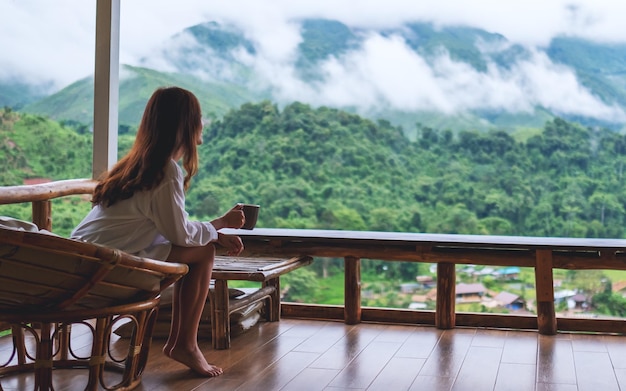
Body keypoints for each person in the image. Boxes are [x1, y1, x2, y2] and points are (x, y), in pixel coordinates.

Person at [71, 86, 245, 377]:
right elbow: (180, 235)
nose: (203, 123)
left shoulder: (136, 166)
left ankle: (183, 344)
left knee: (202, 248)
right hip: (101, 272)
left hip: (85, 261)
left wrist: (215, 231)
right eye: (199, 117)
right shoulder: (165, 170)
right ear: (185, 124)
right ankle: (185, 345)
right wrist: (218, 227)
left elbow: (168, 229)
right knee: (203, 253)